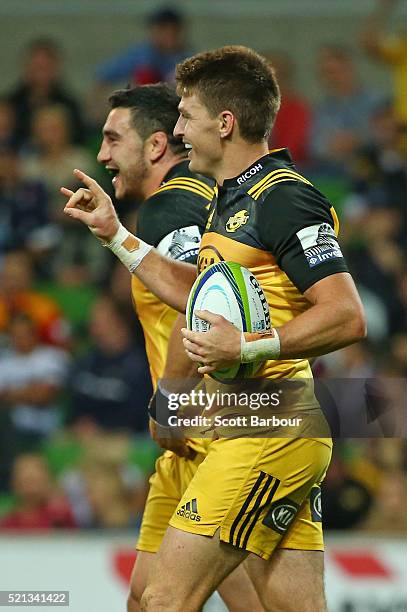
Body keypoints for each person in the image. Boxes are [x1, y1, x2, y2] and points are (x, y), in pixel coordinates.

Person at [62, 47, 366, 611]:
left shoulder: (285, 197)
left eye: (185, 117)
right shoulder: (231, 200)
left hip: (267, 426)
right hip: (261, 427)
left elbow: (347, 314)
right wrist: (115, 236)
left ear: (223, 124)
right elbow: (191, 294)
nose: (177, 132)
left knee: (164, 601)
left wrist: (248, 344)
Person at [62, 83, 263, 611]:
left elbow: (200, 309)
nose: (102, 154)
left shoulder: (170, 205)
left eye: (112, 139)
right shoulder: (190, 201)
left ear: (155, 147)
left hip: (214, 434)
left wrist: (171, 404)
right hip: (190, 445)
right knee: (145, 600)